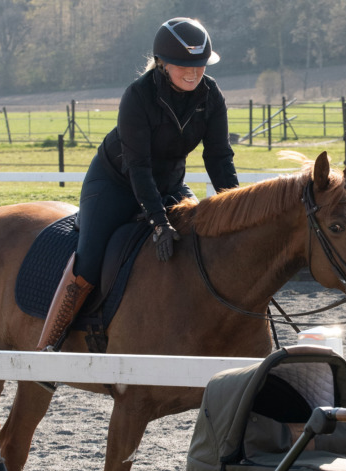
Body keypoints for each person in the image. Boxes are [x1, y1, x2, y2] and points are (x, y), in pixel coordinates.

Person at [35, 17, 239, 356]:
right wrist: (159, 222)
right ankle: (50, 345)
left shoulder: (211, 95)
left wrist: (232, 207)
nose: (193, 72)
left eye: (199, 65)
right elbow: (138, 167)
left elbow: (219, 158)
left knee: (196, 244)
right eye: (184, 65)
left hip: (170, 182)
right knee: (90, 258)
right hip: (116, 182)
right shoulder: (138, 95)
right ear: (162, 63)